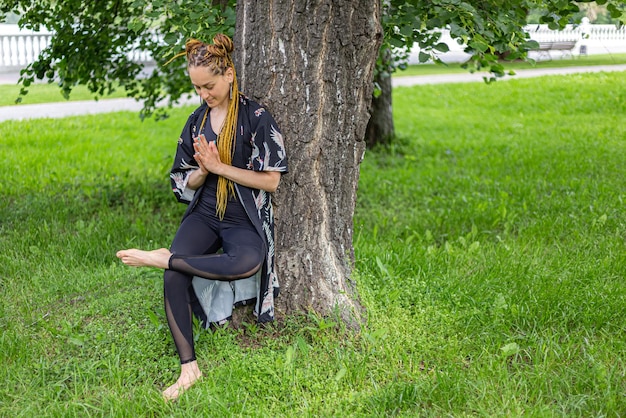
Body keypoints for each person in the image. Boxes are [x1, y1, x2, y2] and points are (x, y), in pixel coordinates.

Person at [116, 33, 288, 401]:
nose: (204, 95)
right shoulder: (197, 121)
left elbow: (271, 181)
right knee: (173, 279)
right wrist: (203, 171)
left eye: (208, 86)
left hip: (243, 217)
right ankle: (188, 368)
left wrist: (220, 166)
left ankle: (165, 258)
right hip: (206, 213)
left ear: (228, 74)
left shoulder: (256, 117)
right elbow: (182, 181)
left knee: (248, 261)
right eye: (197, 88)